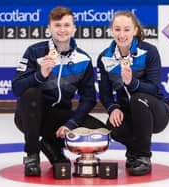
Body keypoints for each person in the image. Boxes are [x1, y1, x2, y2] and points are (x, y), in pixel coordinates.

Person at [12, 6, 104, 176]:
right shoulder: (35, 52)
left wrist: (71, 123)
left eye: (66, 25)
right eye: (57, 25)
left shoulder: (83, 59)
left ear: (74, 28)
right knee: (32, 94)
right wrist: (40, 75)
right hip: (30, 115)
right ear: (49, 28)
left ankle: (52, 144)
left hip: (58, 116)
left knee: (97, 129)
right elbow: (17, 88)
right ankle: (32, 155)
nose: (62, 30)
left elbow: (89, 98)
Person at [97, 11, 169, 176]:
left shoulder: (149, 52)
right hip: (129, 113)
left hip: (156, 113)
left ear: (135, 31)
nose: (121, 34)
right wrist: (112, 108)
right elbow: (105, 93)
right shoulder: (104, 58)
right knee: (112, 125)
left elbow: (154, 88)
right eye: (117, 29)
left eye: (126, 29)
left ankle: (144, 156)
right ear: (112, 30)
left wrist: (132, 83)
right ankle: (133, 151)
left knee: (138, 98)